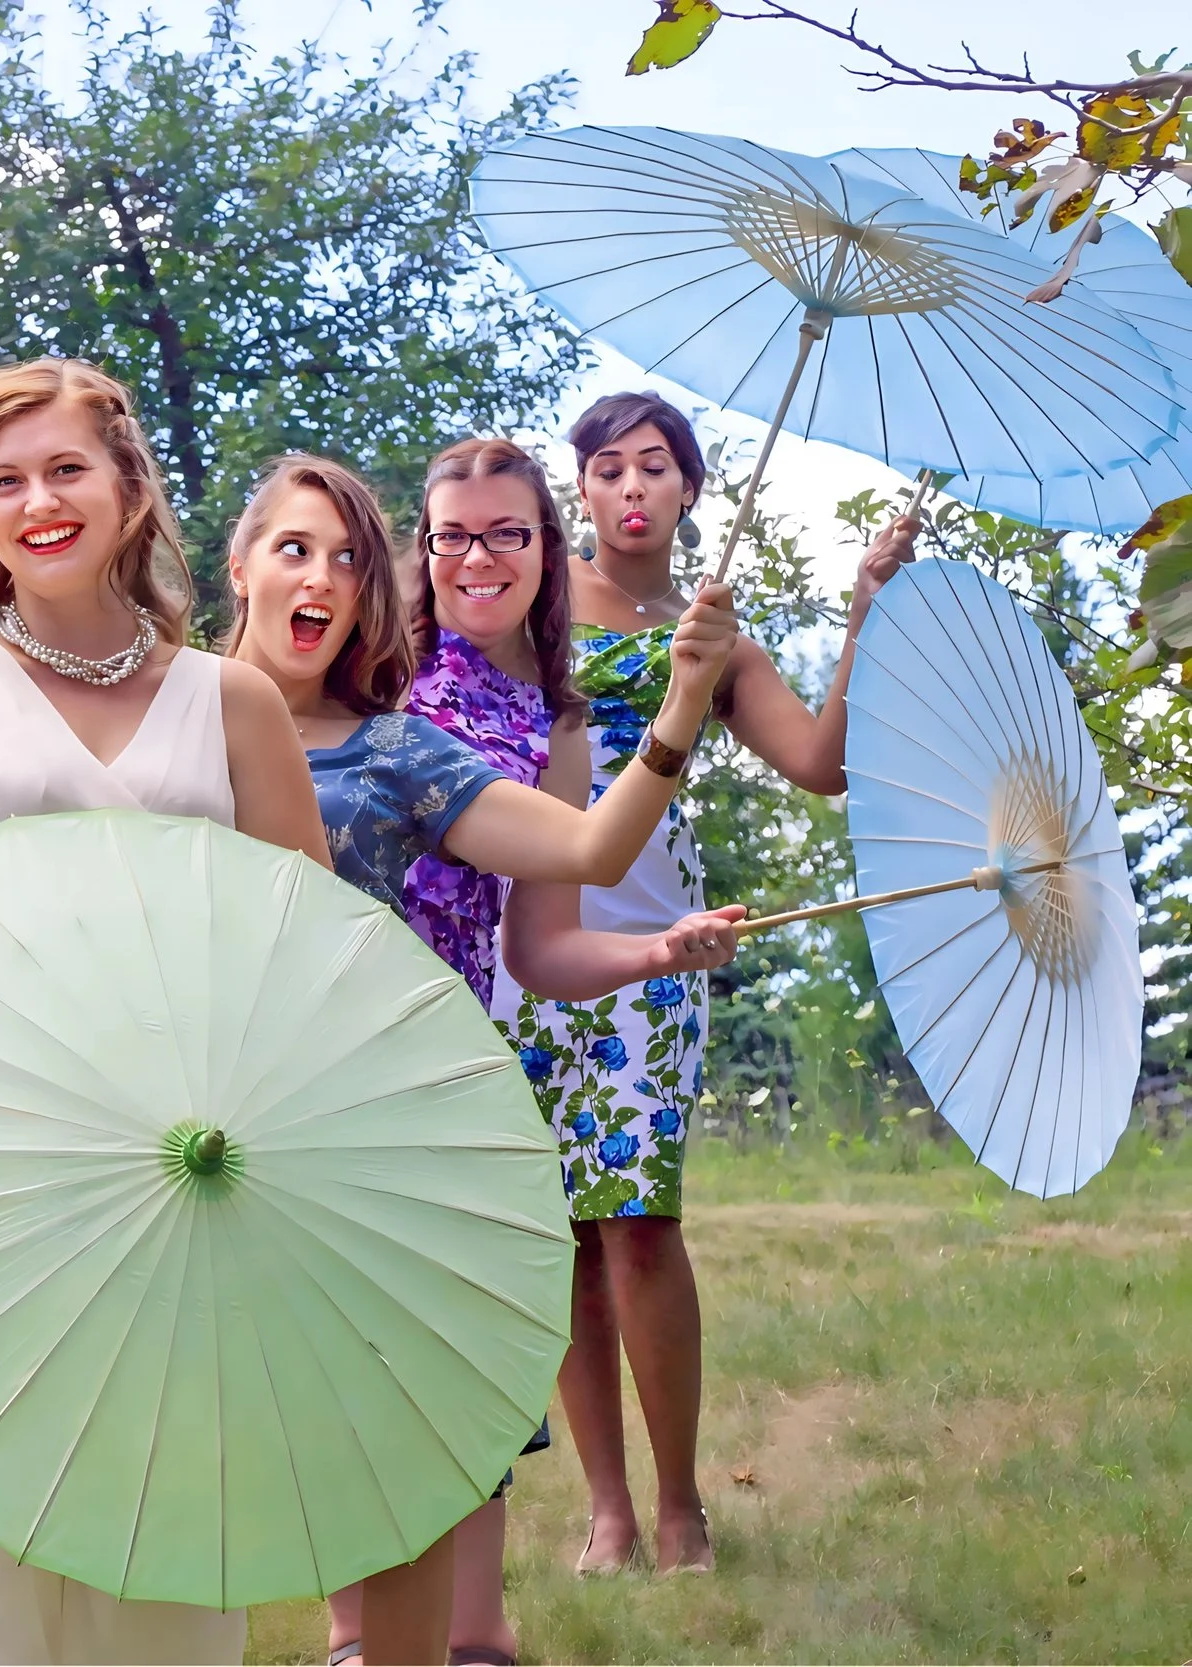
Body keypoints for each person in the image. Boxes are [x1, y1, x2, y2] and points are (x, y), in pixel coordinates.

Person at [0, 359, 465, 1666]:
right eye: (4, 481)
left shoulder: (228, 700)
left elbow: (309, 952)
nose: (36, 502)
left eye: (66, 469)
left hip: (176, 1182)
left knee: (158, 1546)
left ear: (130, 489)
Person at [222, 449, 743, 1665]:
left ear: (543, 553)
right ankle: (363, 1634)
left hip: (433, 1065)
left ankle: (469, 1638)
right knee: (320, 1381)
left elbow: (552, 929)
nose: (477, 559)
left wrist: (660, 944)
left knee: (438, 1379)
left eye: (507, 535)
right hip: (257, 1074)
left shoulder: (518, 725)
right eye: (450, 536)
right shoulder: (365, 684)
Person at [491, 390, 915, 1575]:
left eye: (655, 468)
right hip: (518, 945)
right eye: (608, 470)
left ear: (689, 488)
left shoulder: (713, 629)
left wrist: (864, 612)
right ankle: (606, 1507)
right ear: (579, 492)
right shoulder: (528, 601)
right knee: (561, 1228)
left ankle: (680, 1502)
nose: (631, 489)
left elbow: (820, 764)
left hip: (655, 946)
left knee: (638, 1224)